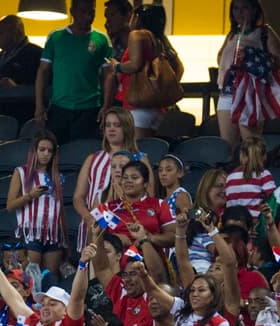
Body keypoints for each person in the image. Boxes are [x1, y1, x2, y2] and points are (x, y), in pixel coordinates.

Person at [34, 0, 114, 144]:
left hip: (90, 108)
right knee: (55, 150)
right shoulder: (56, 37)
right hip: (59, 107)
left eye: (92, 12)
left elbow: (108, 75)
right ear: (73, 12)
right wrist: (39, 106)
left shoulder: (101, 39)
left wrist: (106, 106)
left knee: (85, 150)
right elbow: (43, 72)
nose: (88, 16)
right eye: (83, 11)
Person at [218, 0, 280, 149]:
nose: (239, 12)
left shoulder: (265, 32)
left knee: (251, 144)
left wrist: (252, 56)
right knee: (227, 146)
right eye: (235, 8)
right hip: (228, 91)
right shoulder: (232, 34)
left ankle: (254, 165)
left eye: (244, 8)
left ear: (254, 10)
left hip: (249, 92)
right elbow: (220, 58)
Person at [106, 4, 183, 139]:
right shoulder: (159, 40)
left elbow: (135, 64)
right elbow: (179, 68)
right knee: (151, 147)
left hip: (138, 107)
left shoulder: (136, 35)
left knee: (137, 149)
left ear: (136, 18)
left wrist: (117, 66)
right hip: (157, 108)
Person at [72, 108, 137, 251]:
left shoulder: (139, 158)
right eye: (108, 125)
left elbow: (148, 196)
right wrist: (89, 218)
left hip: (126, 228)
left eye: (117, 125)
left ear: (127, 128)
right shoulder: (92, 159)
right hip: (94, 226)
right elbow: (78, 197)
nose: (111, 129)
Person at [8, 131, 65, 279]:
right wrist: (30, 195)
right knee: (30, 279)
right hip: (30, 233)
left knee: (50, 279)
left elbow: (60, 210)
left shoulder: (57, 176)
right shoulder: (21, 172)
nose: (46, 154)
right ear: (34, 150)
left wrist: (64, 238)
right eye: (42, 149)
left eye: (50, 151)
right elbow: (10, 205)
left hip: (53, 234)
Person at [0, 15, 44, 126]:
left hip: (23, 120)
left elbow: (46, 88)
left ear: (16, 33)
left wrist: (17, 89)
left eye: (0, 32)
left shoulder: (36, 55)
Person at [226, 136, 276, 212]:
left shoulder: (230, 177)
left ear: (241, 155)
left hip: (232, 218)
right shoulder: (264, 175)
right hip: (256, 218)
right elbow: (273, 201)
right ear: (264, 156)